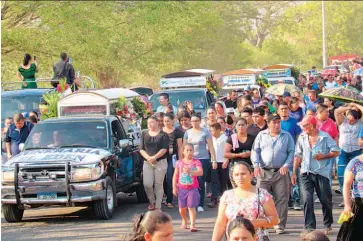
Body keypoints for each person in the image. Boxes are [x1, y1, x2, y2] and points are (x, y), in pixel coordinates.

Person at [292, 116, 340, 236]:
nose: (302, 128)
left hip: (321, 172)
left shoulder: (325, 137)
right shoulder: (302, 137)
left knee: (325, 199)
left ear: (312, 126)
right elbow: (297, 155)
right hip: (306, 172)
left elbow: (336, 151)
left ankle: (327, 223)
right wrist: (293, 172)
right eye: (302, 126)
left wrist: (323, 156)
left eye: (305, 126)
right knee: (307, 199)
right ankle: (310, 227)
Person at [251, 113, 295, 234]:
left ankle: (279, 225)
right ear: (269, 123)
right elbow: (255, 151)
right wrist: (256, 165)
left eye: (278, 122)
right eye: (274, 122)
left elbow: (292, 152)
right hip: (264, 171)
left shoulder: (286, 136)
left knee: (282, 199)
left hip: (280, 172)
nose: (276, 125)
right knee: (261, 199)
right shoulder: (261, 135)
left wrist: (286, 165)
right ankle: (262, 224)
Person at [211, 162, 279, 241]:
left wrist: (257, 222)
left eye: (243, 174)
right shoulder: (227, 196)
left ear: (251, 174)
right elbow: (220, 223)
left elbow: (275, 219)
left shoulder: (262, 194)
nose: (240, 177)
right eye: (236, 175)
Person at [184, 114, 216, 212]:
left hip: (203, 159)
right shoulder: (187, 132)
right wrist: (183, 161)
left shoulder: (205, 131)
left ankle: (200, 203)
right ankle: (191, 202)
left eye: (196, 120)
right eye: (193, 121)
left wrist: (213, 160)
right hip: (190, 160)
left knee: (200, 181)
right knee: (190, 181)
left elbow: (211, 147)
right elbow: (184, 147)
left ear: (200, 121)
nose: (194, 123)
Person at [139, 115, 169, 211]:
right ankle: (152, 201)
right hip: (147, 162)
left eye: (152, 122)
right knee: (147, 184)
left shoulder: (163, 135)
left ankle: (158, 206)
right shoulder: (144, 134)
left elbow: (164, 149)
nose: (150, 124)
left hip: (160, 162)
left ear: (157, 122)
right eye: (148, 123)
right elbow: (141, 149)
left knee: (158, 184)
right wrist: (148, 158)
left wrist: (155, 157)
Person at [172, 144, 203, 232]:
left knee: (191, 206)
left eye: (191, 150)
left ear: (193, 151)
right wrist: (174, 187)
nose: (189, 152)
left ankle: (193, 224)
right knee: (182, 208)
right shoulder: (179, 162)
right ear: (183, 152)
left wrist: (191, 171)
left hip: (192, 188)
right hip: (182, 189)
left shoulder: (196, 162)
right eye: (187, 150)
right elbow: (175, 175)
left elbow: (200, 172)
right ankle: (185, 219)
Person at [335, 104, 362, 198]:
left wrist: (356, 105)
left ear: (357, 118)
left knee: (356, 176)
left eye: (352, 120)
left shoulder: (360, 122)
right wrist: (349, 108)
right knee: (341, 175)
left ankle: (356, 197)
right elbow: (337, 111)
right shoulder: (342, 120)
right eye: (349, 119)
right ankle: (345, 198)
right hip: (343, 151)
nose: (350, 122)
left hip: (356, 151)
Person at [336, 155, 363, 241]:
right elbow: (346, 184)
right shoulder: (355, 163)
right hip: (359, 204)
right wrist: (347, 205)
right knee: (355, 234)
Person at [162, 113, 183, 209]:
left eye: (168, 121)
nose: (166, 123)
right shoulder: (161, 131)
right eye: (164, 121)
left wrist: (181, 160)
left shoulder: (177, 131)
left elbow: (180, 146)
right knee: (163, 179)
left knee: (170, 177)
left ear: (172, 121)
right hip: (162, 157)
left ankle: (169, 200)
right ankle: (165, 195)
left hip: (172, 157)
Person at [208, 123, 229, 208]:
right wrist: (213, 160)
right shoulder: (211, 139)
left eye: (213, 130)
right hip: (214, 161)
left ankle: (224, 199)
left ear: (218, 130)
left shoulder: (225, 138)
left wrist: (226, 160)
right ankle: (214, 200)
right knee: (214, 181)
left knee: (223, 181)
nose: (211, 132)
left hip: (223, 162)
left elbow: (228, 150)